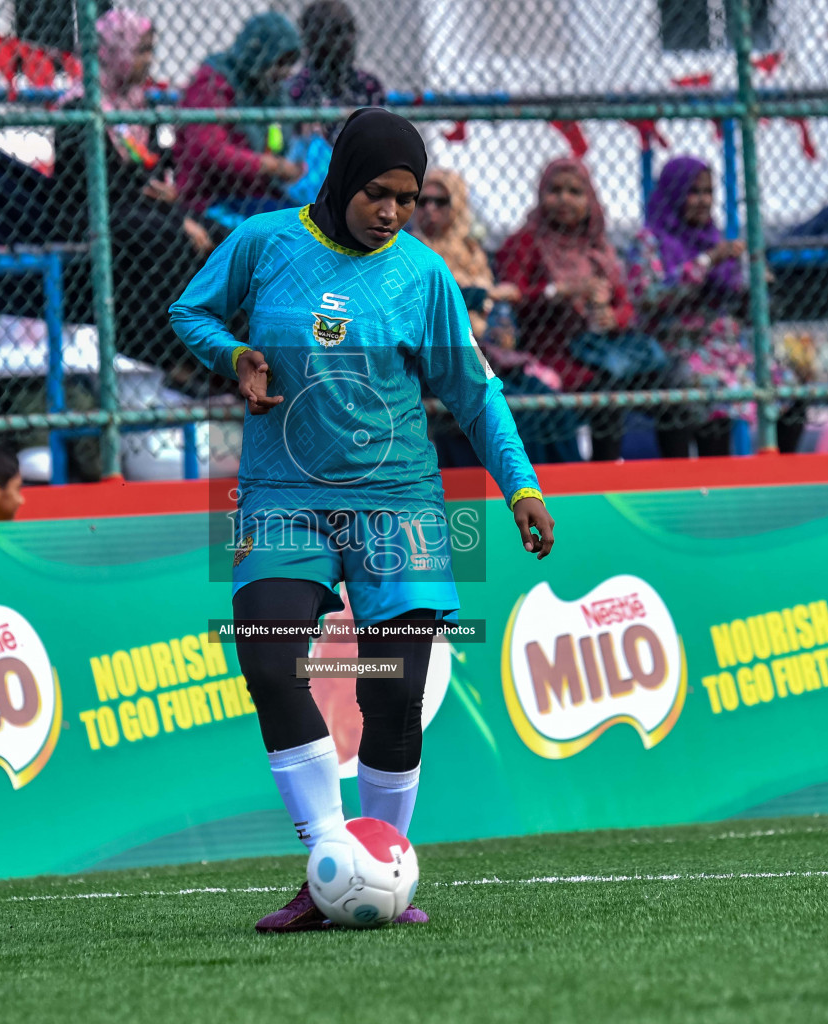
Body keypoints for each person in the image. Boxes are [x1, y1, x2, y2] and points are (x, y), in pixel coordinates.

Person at [169, 108, 554, 933]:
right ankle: (327, 865)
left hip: (399, 505)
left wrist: (521, 489)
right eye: (377, 193)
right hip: (284, 495)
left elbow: (476, 394)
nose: (391, 212)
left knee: (395, 696)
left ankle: (380, 870)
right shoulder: (264, 244)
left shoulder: (422, 276)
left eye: (408, 200)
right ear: (342, 179)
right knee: (271, 664)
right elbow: (190, 314)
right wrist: (234, 356)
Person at [50, 9, 211, 394]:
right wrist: (161, 201)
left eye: (149, 51)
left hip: (144, 210)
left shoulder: (140, 106)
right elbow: (93, 179)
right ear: (115, 51)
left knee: (223, 234)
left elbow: (152, 168)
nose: (147, 62)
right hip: (92, 215)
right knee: (172, 238)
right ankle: (174, 354)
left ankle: (221, 352)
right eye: (141, 51)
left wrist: (169, 193)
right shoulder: (79, 106)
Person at [626, 155, 805, 456]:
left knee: (789, 388)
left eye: (708, 192)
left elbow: (737, 304)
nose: (702, 200)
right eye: (693, 192)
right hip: (676, 346)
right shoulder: (649, 242)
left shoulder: (714, 238)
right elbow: (648, 296)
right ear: (674, 193)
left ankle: (777, 478)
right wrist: (707, 262)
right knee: (710, 391)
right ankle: (702, 484)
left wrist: (755, 283)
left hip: (725, 347)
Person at [412, 167, 578, 466]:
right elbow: (434, 302)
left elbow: (500, 305)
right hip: (444, 360)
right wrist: (483, 297)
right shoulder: (412, 251)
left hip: (489, 353)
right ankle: (523, 493)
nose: (430, 210)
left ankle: (568, 494)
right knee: (517, 410)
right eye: (422, 202)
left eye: (441, 201)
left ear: (458, 204)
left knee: (554, 406)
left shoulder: (474, 252)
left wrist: (499, 321)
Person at [496, 157, 638, 460]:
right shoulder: (525, 243)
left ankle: (607, 474)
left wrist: (613, 317)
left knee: (612, 386)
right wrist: (558, 292)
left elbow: (625, 305)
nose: (564, 199)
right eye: (555, 190)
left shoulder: (597, 246)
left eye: (575, 192)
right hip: (542, 353)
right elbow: (510, 297)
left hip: (592, 351)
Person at [173, 12, 305, 221]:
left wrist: (294, 166)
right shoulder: (213, 82)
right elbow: (209, 149)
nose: (285, 72)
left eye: (289, 64)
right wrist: (271, 166)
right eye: (279, 63)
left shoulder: (271, 93)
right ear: (259, 55)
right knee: (295, 229)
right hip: (214, 197)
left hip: (260, 195)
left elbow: (280, 142)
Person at [284, 1, 386, 143]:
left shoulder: (368, 86)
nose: (349, 39)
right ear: (314, 38)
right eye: (337, 31)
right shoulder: (295, 90)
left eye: (351, 30)